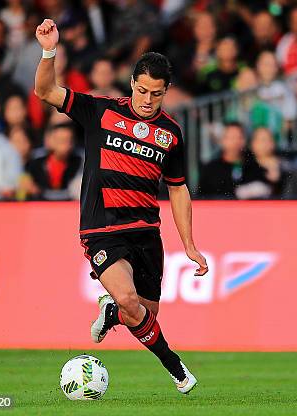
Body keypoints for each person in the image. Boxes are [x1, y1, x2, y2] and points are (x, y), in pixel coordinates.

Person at [34, 19, 208, 394]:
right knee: (131, 300)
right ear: (132, 84)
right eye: (142, 90)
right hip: (102, 227)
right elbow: (45, 90)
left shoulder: (172, 134)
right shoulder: (99, 110)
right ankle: (177, 369)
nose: (148, 100)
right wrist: (49, 51)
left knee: (144, 313)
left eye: (156, 94)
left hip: (146, 231)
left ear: (167, 92)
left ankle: (111, 311)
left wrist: (190, 245)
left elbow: (177, 190)